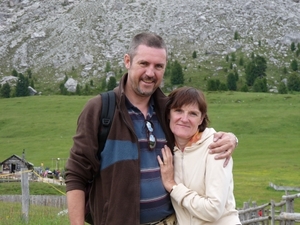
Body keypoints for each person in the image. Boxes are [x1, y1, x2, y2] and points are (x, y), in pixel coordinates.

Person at [65, 32, 238, 225]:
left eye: (158, 66)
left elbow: (197, 133)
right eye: (144, 64)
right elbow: (76, 174)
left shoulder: (168, 110)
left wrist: (231, 138)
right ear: (127, 61)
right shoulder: (100, 109)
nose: (150, 73)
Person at [158, 87, 241, 225]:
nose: (184, 119)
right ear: (168, 114)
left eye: (193, 114)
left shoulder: (216, 147)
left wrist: (172, 186)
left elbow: (213, 210)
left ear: (201, 119)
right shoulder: (169, 149)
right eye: (178, 111)